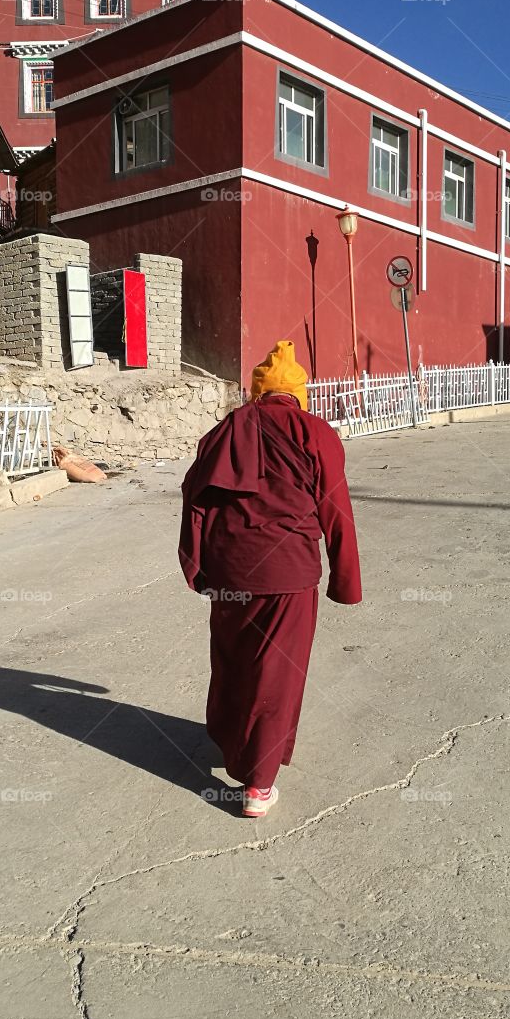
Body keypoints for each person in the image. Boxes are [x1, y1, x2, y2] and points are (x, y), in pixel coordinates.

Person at [179, 340, 362, 819]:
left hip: (229, 570)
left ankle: (231, 743)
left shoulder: (223, 432)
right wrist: (345, 580)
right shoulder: (316, 433)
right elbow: (336, 511)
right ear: (298, 395)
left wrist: (196, 565)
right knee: (275, 673)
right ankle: (258, 784)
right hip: (288, 575)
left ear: (256, 393)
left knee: (232, 659)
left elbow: (195, 500)